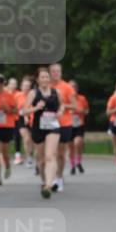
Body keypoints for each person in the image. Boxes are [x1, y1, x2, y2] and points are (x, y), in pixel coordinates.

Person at [20, 66, 63, 198]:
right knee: (41, 160)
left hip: (53, 127)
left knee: (50, 155)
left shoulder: (56, 92)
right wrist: (36, 108)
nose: (45, 79)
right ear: (38, 80)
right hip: (38, 128)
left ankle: (49, 185)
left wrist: (60, 112)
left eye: (47, 77)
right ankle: (45, 182)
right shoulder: (33, 93)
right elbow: (24, 111)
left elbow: (62, 105)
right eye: (42, 77)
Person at [49, 63, 77, 193]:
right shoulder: (46, 86)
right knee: (51, 153)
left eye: (58, 71)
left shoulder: (67, 87)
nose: (56, 73)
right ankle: (52, 178)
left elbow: (75, 105)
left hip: (64, 123)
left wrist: (63, 106)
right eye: (53, 71)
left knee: (60, 153)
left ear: (61, 72)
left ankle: (59, 178)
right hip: (49, 124)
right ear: (50, 73)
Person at [0, 74, 19, 186]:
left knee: (5, 152)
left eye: (1, 82)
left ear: (4, 83)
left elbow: (16, 111)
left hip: (7, 126)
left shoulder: (9, 95)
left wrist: (7, 109)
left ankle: (7, 166)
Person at [69, 80, 89, 175]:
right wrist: (70, 112)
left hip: (79, 124)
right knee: (70, 146)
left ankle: (78, 161)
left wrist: (82, 111)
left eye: (74, 87)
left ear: (77, 88)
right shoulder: (65, 99)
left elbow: (87, 110)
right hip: (68, 125)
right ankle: (72, 165)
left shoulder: (82, 98)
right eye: (70, 87)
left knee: (78, 143)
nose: (72, 89)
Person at [14, 76, 34, 168]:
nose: (26, 88)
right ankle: (29, 158)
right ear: (21, 87)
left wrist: (28, 114)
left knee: (32, 139)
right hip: (21, 118)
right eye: (24, 86)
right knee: (26, 139)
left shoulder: (33, 95)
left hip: (32, 118)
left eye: (28, 86)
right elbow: (14, 108)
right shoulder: (17, 95)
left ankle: (31, 153)